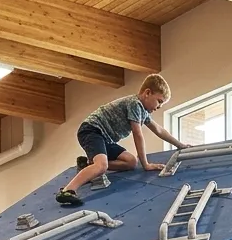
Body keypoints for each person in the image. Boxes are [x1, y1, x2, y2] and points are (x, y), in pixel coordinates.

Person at [55, 74, 189, 207]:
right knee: (102, 166)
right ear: (147, 93)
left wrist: (180, 145)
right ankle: (67, 191)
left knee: (131, 162)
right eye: (159, 101)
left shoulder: (144, 112)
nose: (159, 106)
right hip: (92, 130)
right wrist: (146, 164)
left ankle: (88, 165)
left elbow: (159, 130)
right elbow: (138, 134)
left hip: (106, 139)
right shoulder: (134, 104)